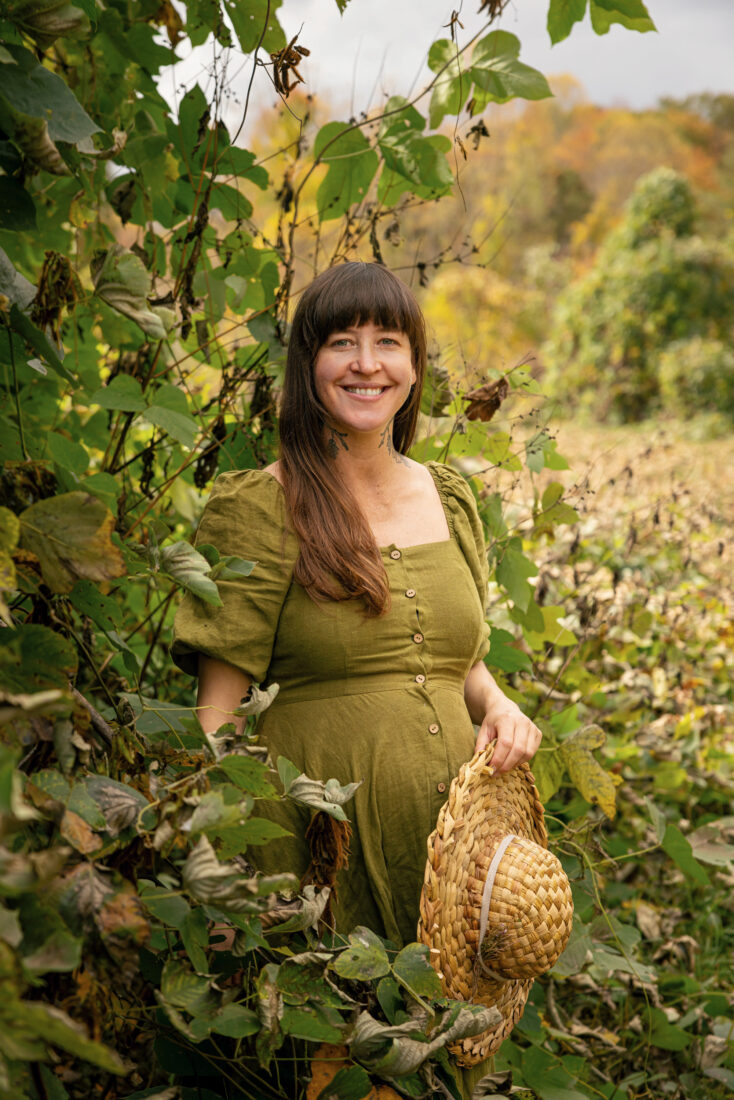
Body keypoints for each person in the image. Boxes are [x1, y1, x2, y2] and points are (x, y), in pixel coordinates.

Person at [172, 260, 542, 950]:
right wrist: (217, 863)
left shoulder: (449, 497)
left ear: (414, 364)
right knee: (328, 1048)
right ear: (308, 364)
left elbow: (454, 657)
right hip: (308, 857)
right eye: (342, 342)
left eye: (388, 342)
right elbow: (215, 714)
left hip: (452, 853)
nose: (366, 364)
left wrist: (499, 705)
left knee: (434, 1041)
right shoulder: (259, 506)